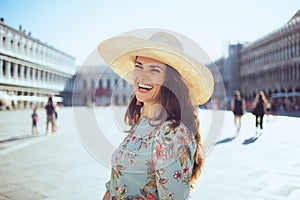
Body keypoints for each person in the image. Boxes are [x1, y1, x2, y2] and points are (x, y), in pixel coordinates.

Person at [98, 32, 214, 200]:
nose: (142, 76)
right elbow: (114, 186)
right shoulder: (143, 122)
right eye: (139, 66)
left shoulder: (172, 134)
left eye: (154, 69)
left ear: (169, 80)